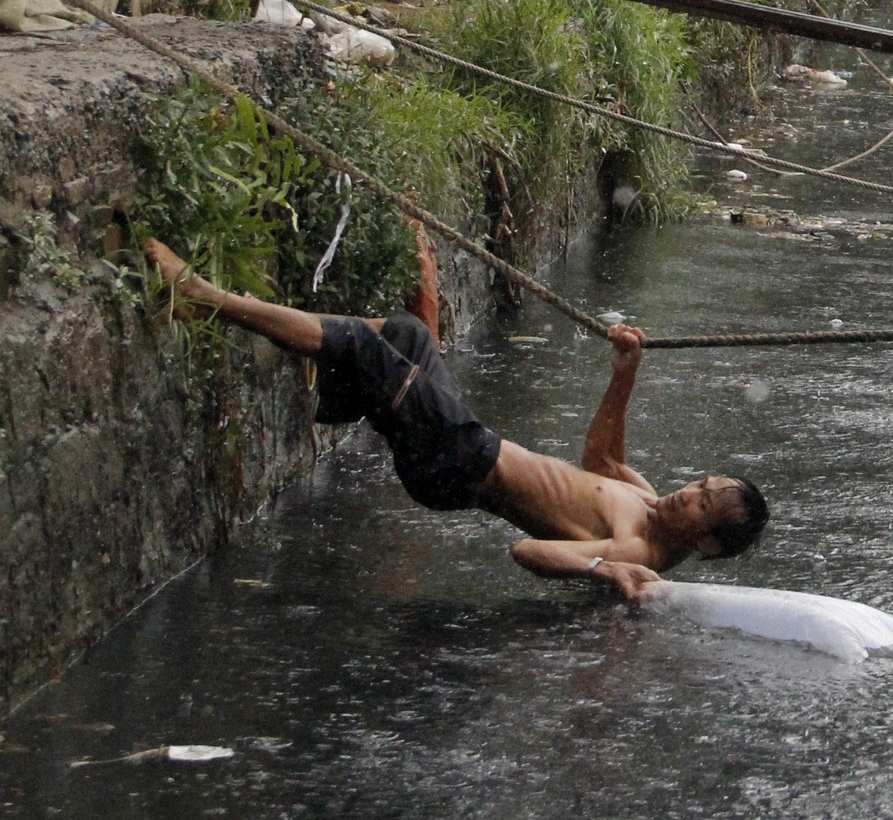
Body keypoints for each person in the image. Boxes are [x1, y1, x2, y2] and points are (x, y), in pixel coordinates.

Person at [140, 237, 769, 602]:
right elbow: (601, 461)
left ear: (706, 544)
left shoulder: (636, 548)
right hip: (466, 446)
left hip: (458, 462)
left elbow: (526, 550)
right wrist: (624, 373)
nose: (688, 492)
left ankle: (203, 298)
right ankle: (333, 376)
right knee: (408, 333)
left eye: (702, 505)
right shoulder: (648, 500)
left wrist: (603, 569)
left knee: (365, 348)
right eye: (702, 484)